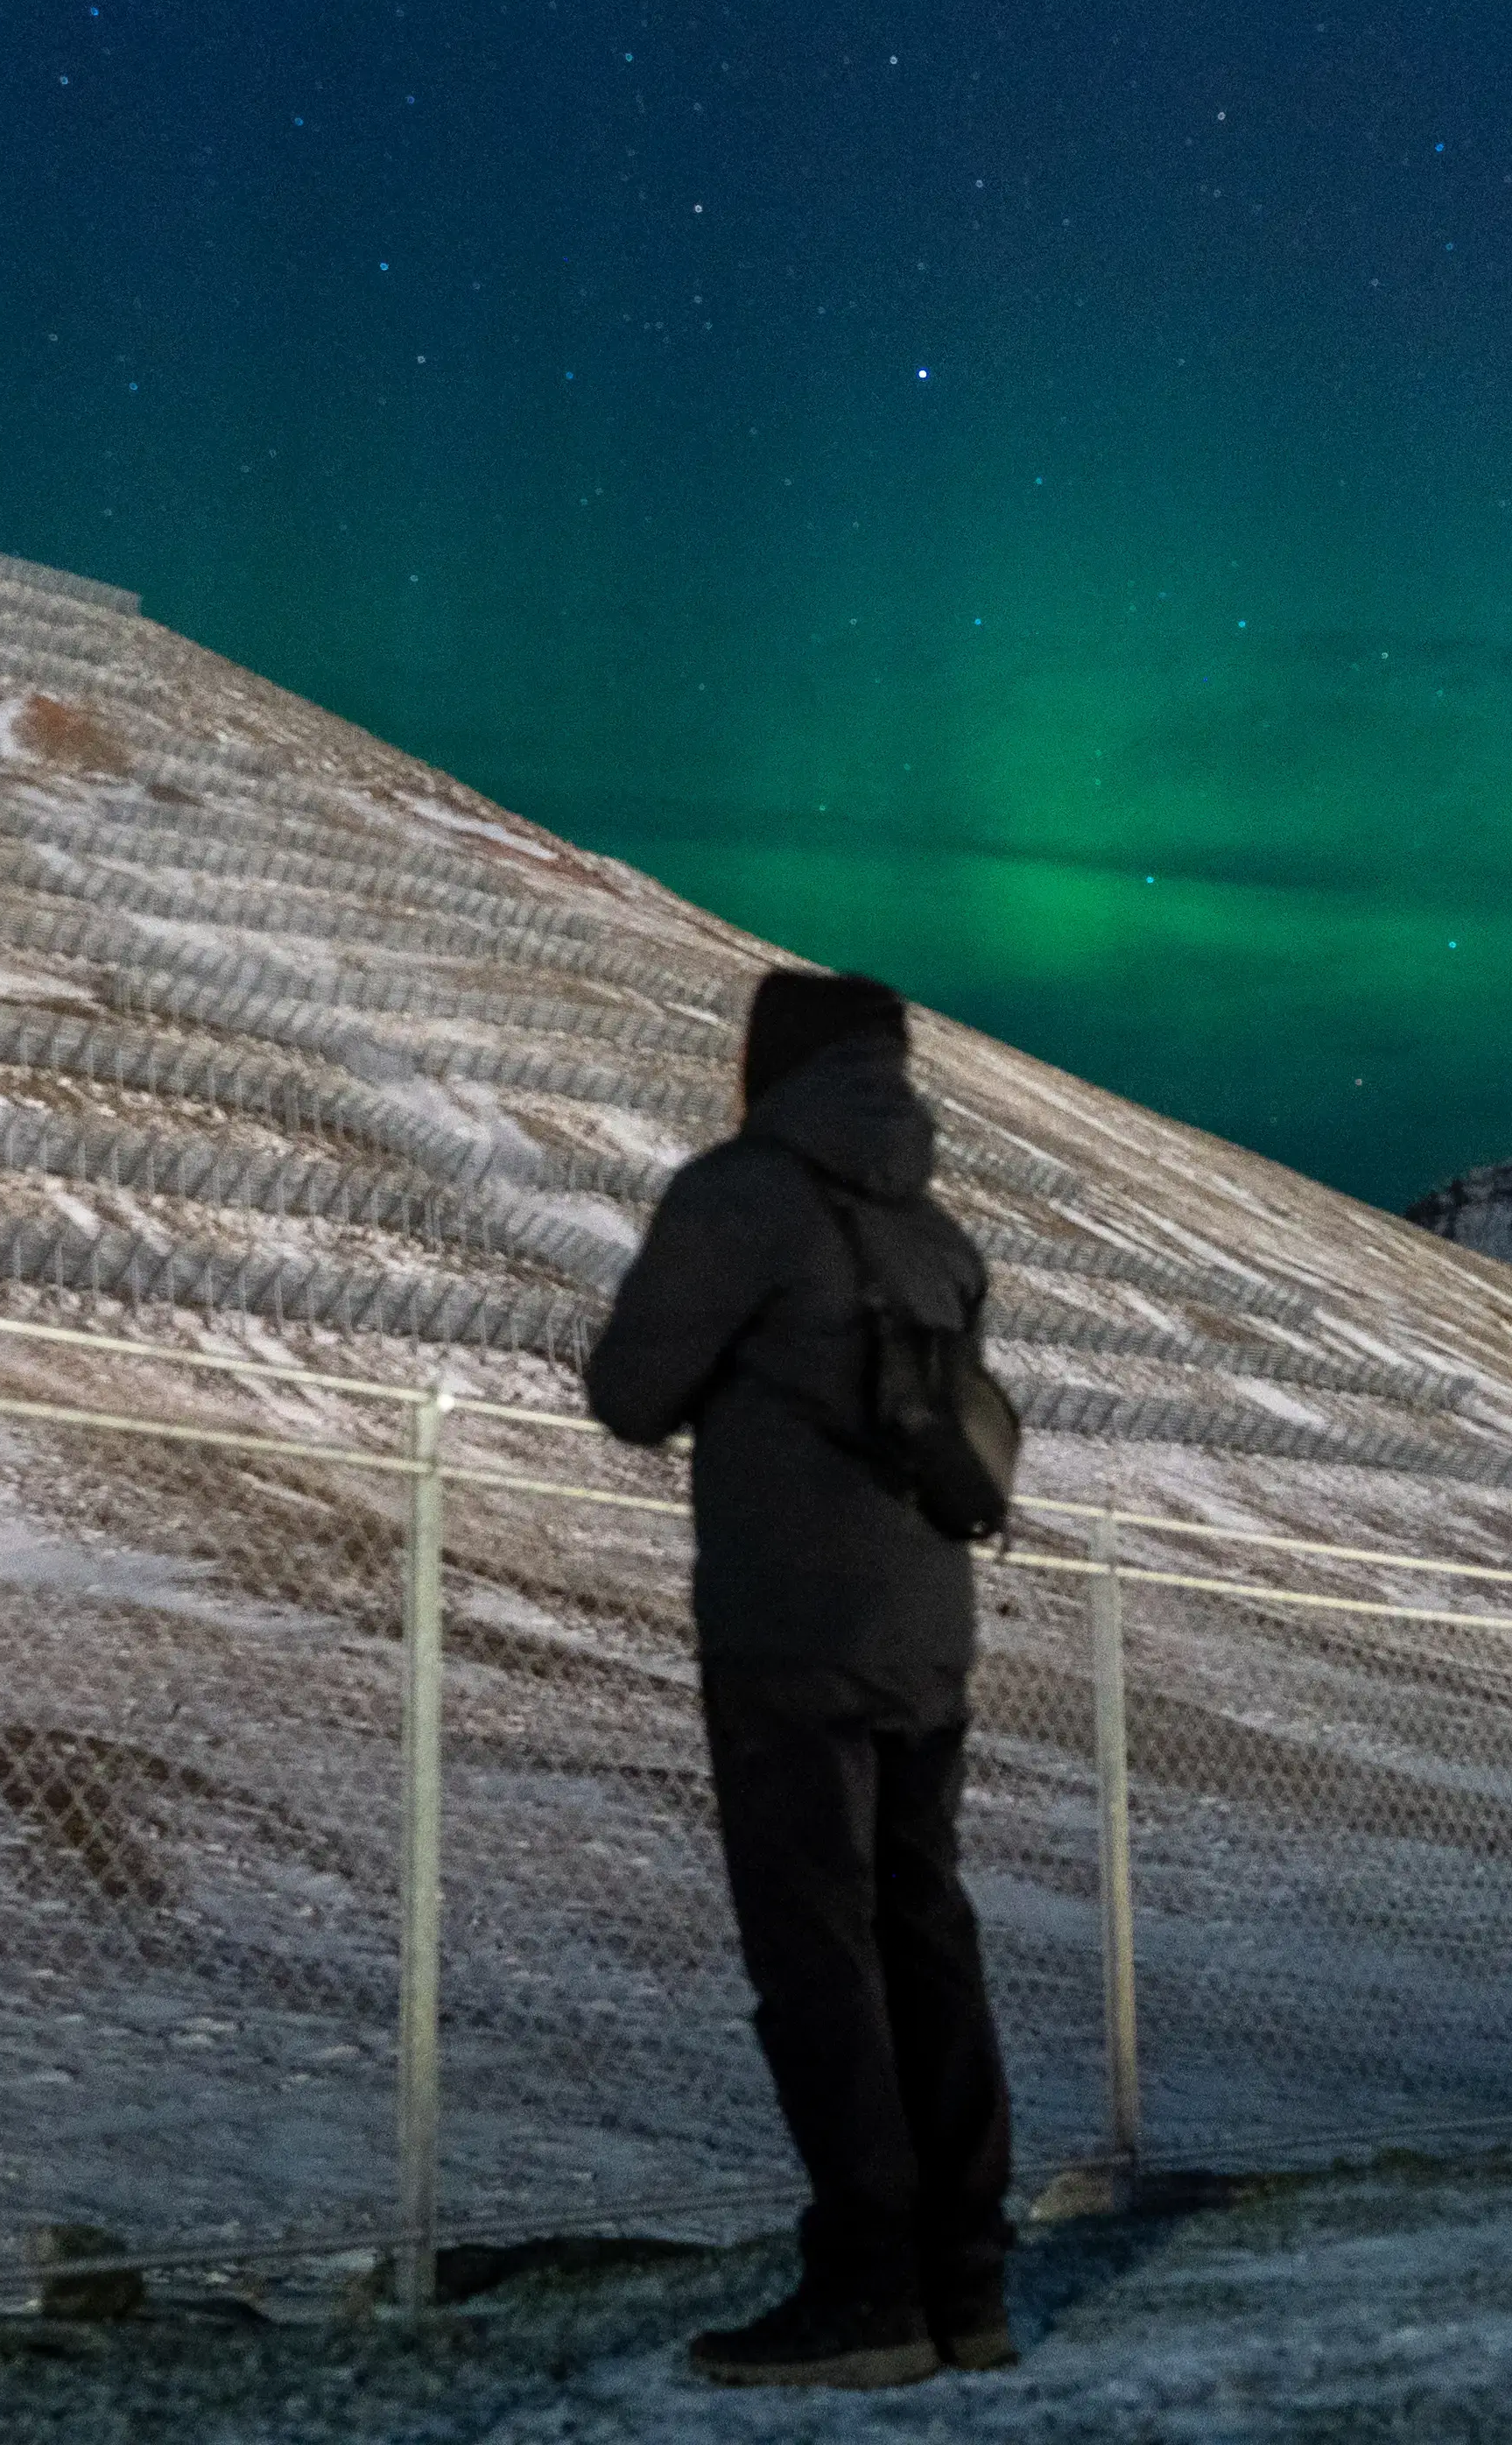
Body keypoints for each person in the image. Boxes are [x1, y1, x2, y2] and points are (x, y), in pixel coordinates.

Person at [583, 965, 1017, 2389]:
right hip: (928, 1632)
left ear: (774, 1066)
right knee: (926, 1940)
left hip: (790, 1630)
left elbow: (630, 1396)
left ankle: (866, 2295)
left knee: (817, 1954)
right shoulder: (937, 1232)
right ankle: (966, 2288)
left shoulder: (741, 1193)